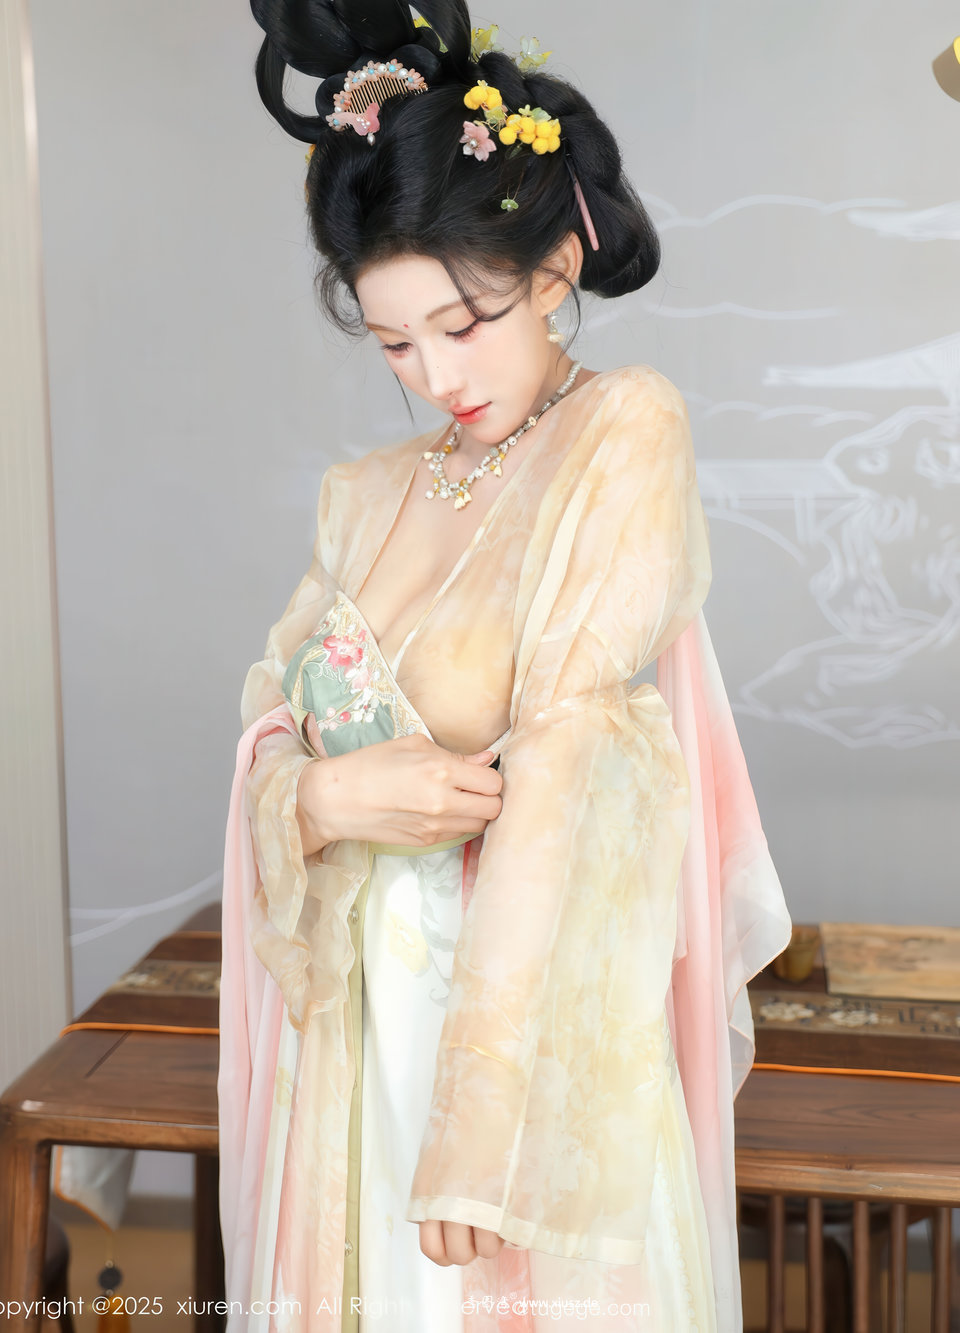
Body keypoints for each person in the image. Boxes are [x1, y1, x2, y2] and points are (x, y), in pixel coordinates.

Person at [217, 2, 793, 1330]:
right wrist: (323, 798)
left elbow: (569, 766)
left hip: (514, 1053)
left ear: (552, 269)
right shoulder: (364, 495)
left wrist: (484, 1130)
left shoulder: (619, 434)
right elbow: (271, 728)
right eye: (395, 342)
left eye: (464, 321)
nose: (435, 374)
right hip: (359, 1047)